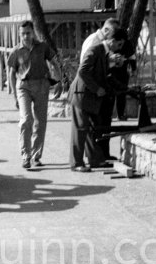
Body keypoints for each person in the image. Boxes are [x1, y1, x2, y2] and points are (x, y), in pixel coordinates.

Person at [68, 29, 127, 172]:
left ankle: (95, 160)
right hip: (81, 94)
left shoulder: (104, 52)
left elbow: (102, 73)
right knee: (80, 128)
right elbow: (83, 71)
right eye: (119, 45)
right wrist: (96, 89)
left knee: (91, 129)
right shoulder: (95, 49)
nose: (119, 48)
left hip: (89, 96)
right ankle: (76, 163)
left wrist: (121, 88)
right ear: (112, 41)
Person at [7, 21, 61, 169]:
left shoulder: (42, 47)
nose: (25, 36)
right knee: (26, 120)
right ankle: (25, 155)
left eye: (28, 33)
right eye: (23, 33)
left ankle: (36, 155)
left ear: (33, 32)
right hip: (23, 87)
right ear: (19, 34)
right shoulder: (16, 51)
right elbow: (11, 73)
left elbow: (54, 62)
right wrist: (14, 95)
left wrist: (59, 80)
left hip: (41, 86)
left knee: (40, 122)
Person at [80, 18, 124, 160]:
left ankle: (103, 155)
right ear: (106, 31)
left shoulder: (105, 47)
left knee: (104, 123)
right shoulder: (94, 43)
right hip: (92, 90)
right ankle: (94, 157)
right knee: (94, 126)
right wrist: (96, 88)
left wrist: (113, 61)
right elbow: (85, 68)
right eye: (113, 32)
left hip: (102, 87)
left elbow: (102, 64)